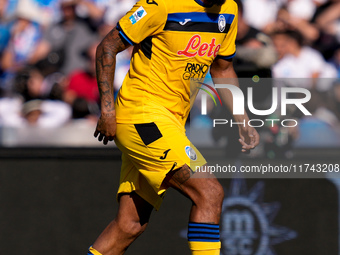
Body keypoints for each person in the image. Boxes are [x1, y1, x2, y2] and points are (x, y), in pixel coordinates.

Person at [91, 0, 260, 254]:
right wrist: (106, 109)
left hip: (171, 123)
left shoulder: (229, 10)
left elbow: (223, 69)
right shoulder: (161, 5)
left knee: (129, 225)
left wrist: (241, 118)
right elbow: (107, 46)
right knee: (209, 193)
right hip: (142, 116)